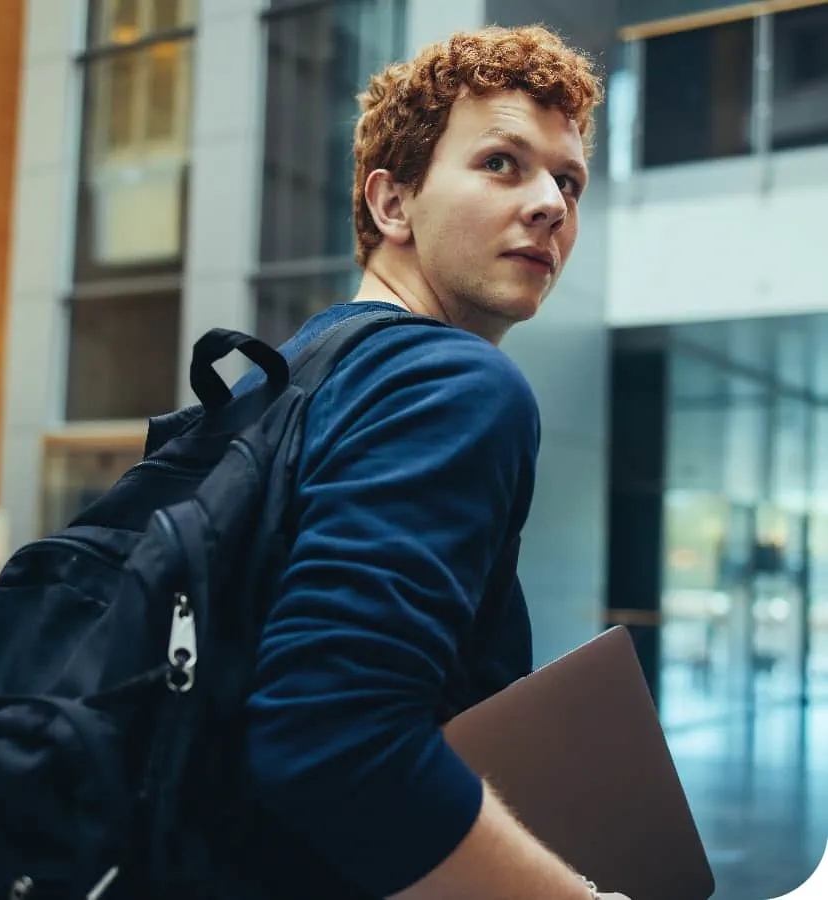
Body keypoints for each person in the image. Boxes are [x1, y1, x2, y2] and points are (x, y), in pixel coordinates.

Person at [235, 24, 632, 900]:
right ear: (392, 204)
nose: (551, 205)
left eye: (568, 181)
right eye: (502, 163)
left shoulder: (283, 378)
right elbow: (333, 738)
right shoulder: (455, 383)